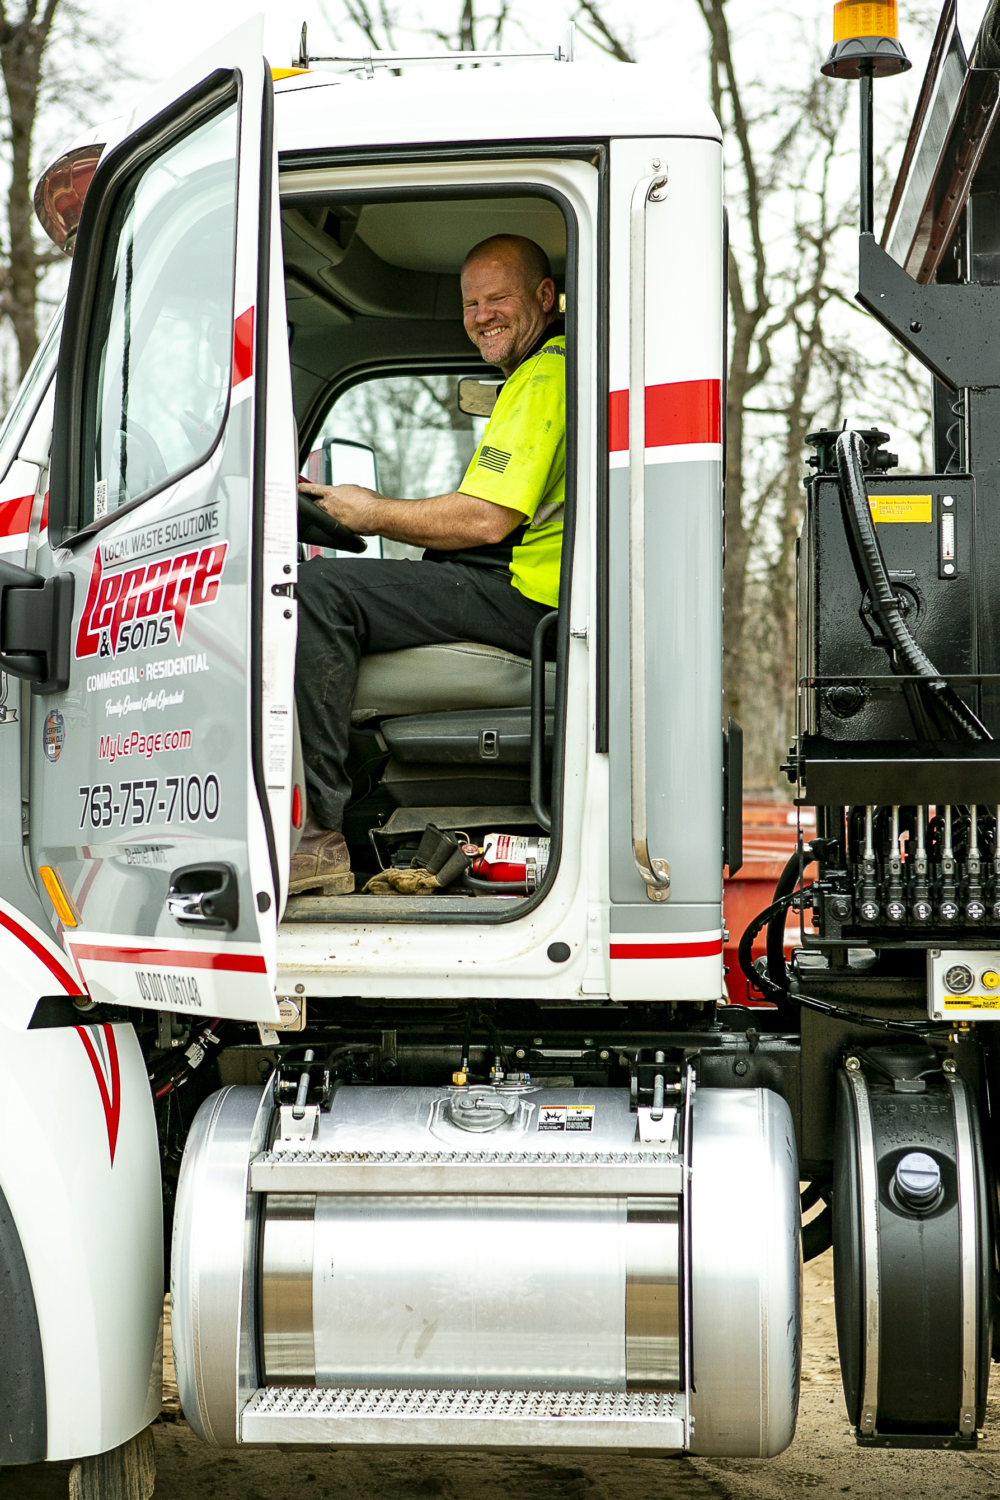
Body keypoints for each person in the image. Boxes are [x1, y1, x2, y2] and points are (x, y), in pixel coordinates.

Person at [291, 232, 565, 894]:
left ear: (545, 296)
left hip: (529, 600)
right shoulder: (539, 376)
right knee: (328, 590)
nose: (482, 317)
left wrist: (371, 511)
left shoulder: (546, 375)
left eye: (498, 298)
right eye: (471, 304)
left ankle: (317, 836)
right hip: (513, 588)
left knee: (315, 591)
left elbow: (483, 519)